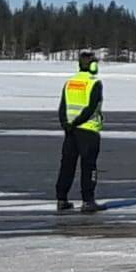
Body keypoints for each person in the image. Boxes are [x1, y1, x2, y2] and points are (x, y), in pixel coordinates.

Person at [55, 49, 103, 212]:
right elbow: (91, 107)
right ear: (93, 65)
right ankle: (88, 200)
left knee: (67, 165)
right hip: (87, 130)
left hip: (70, 131)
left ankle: (61, 199)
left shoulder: (69, 83)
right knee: (88, 166)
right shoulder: (94, 83)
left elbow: (62, 107)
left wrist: (66, 124)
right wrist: (77, 122)